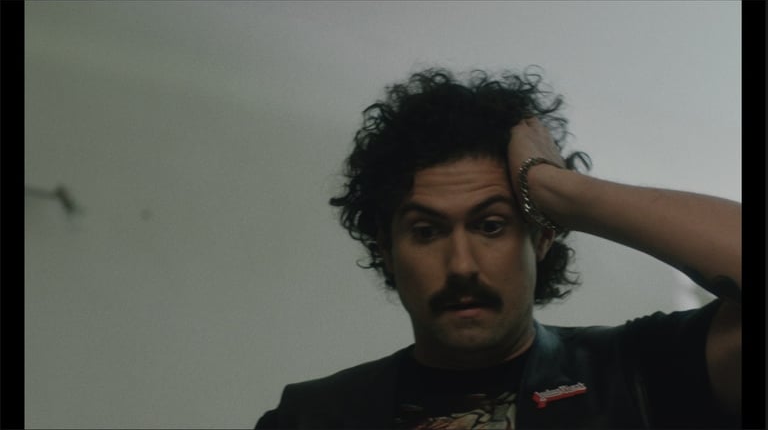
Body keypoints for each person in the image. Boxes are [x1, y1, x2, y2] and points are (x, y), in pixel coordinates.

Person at [255, 67, 741, 429]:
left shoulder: (640, 370)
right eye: (426, 231)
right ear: (386, 248)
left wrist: (555, 189)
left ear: (541, 236)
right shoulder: (314, 416)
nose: (461, 265)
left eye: (490, 226)